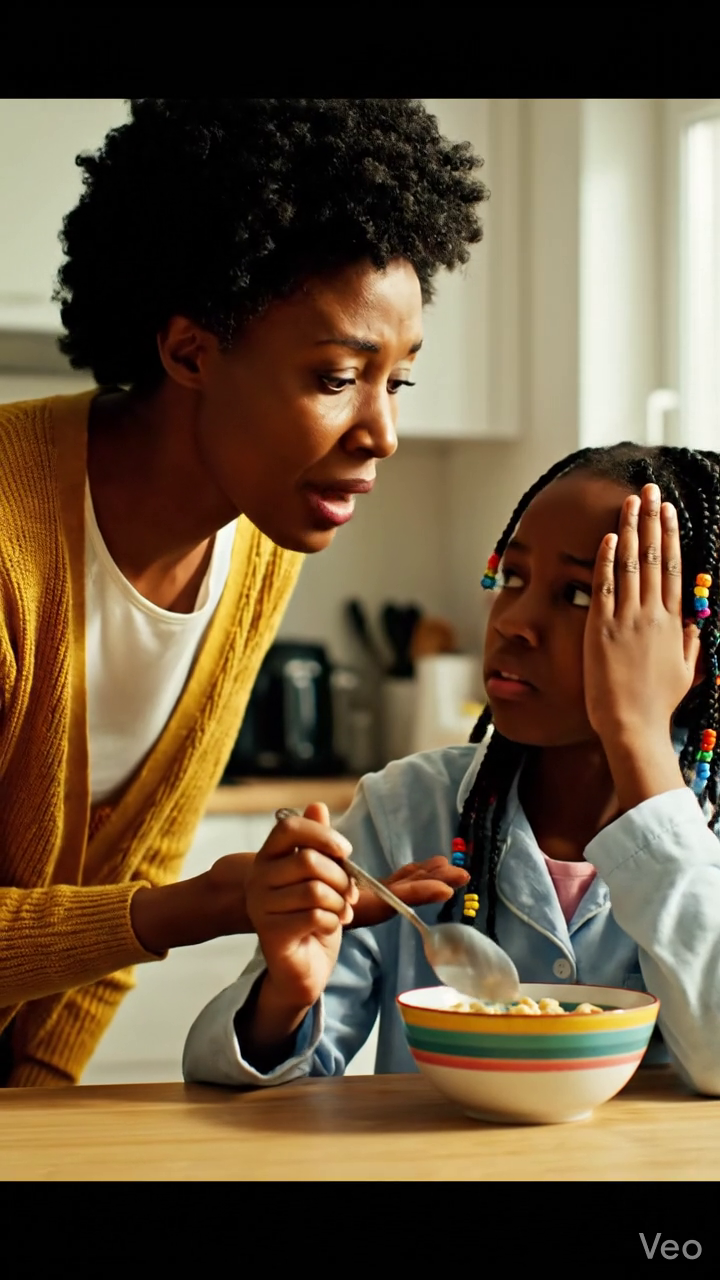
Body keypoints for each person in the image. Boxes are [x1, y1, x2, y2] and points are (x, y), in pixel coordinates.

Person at [0, 98, 486, 1087]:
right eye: (338, 374)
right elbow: (146, 897)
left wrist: (37, 1103)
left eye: (397, 382)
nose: (381, 433)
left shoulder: (256, 543)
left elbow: (115, 882)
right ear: (189, 352)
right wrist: (210, 903)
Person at [184, 442, 720, 1097]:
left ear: (692, 649)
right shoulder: (407, 810)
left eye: (579, 594)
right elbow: (241, 1092)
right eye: (512, 579)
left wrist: (636, 732)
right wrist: (284, 996)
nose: (514, 622)